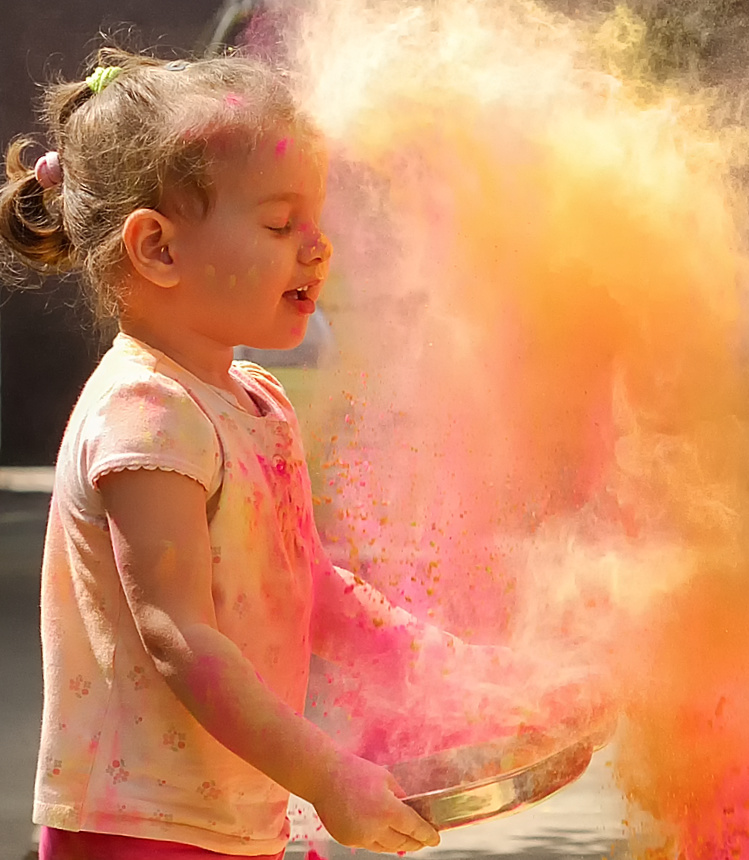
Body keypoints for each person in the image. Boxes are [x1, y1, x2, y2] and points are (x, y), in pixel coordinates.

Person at [0, 47, 452, 860]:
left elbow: (304, 582)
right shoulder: (145, 412)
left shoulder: (255, 401)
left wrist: (455, 673)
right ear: (159, 249)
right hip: (133, 827)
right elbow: (179, 634)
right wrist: (327, 776)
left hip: (230, 820)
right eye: (281, 224)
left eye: (316, 220)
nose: (318, 247)